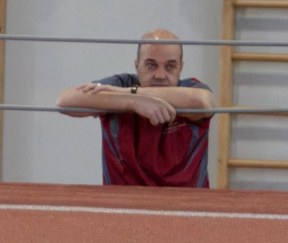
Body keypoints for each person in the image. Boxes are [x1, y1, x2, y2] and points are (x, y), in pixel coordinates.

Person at [56, 30, 217, 187]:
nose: (160, 75)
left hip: (184, 201)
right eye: (151, 65)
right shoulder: (121, 84)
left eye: (170, 66)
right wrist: (133, 102)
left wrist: (132, 93)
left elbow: (204, 102)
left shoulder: (191, 89)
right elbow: (65, 101)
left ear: (180, 68)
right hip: (123, 201)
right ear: (137, 65)